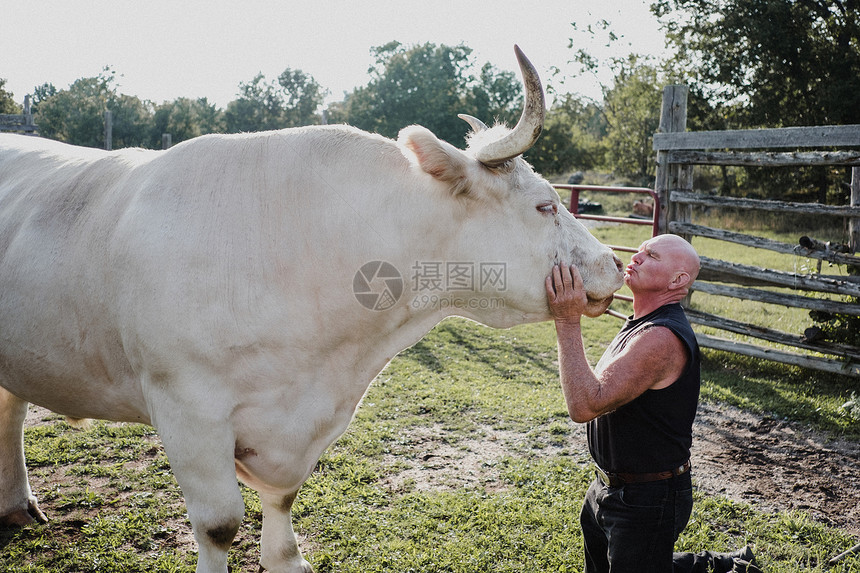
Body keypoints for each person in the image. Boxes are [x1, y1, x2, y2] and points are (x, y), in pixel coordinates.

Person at [545, 233, 762, 573]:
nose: (637, 256)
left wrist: (567, 320)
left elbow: (585, 405)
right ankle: (719, 567)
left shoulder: (661, 338)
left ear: (678, 280)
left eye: (652, 256)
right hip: (608, 487)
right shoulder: (641, 322)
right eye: (640, 250)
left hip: (647, 497)